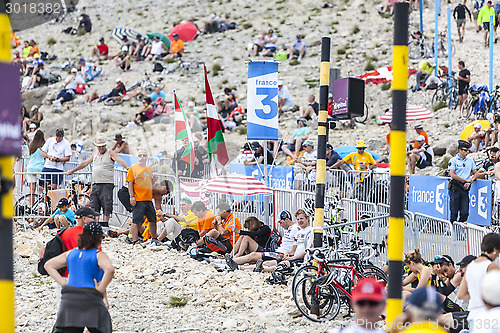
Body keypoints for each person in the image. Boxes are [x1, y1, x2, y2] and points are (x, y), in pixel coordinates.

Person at [44, 221, 114, 333]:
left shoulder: (71, 253)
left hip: (70, 298)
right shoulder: (98, 255)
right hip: (90, 297)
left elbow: (48, 265)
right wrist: (100, 290)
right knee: (102, 328)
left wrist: (64, 284)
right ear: (98, 239)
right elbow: (110, 270)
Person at [67, 137, 129, 227]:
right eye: (99, 146)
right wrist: (73, 171)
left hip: (106, 183)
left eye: (103, 146)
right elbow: (85, 163)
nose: (101, 148)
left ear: (105, 145)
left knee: (106, 205)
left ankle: (105, 224)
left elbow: (120, 161)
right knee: (95, 205)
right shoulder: (95, 154)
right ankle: (95, 224)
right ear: (96, 146)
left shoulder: (110, 153)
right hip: (96, 183)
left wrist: (128, 169)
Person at [225, 210, 300, 270]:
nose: (280, 225)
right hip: (278, 252)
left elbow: (295, 247)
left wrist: (288, 254)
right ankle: (232, 259)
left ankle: (232, 262)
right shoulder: (288, 229)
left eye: (281, 222)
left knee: (253, 256)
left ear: (287, 220)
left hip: (279, 253)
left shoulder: (295, 229)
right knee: (253, 257)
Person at [458, 233, 500, 324]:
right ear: (494, 250)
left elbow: (460, 294)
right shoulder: (491, 267)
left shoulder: (470, 266)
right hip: (489, 316)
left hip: (473, 315)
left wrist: (475, 294)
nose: (497, 256)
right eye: (498, 253)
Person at [126, 148, 159, 245]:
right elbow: (130, 183)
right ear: (137, 157)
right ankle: (135, 241)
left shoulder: (148, 168)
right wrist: (132, 196)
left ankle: (154, 238)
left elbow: (148, 182)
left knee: (152, 219)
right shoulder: (133, 168)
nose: (142, 157)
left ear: (147, 157)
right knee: (136, 220)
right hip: (138, 198)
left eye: (144, 155)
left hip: (148, 198)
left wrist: (154, 180)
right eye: (140, 155)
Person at [448, 140, 478, 223]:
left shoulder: (470, 160)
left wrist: (470, 181)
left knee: (465, 212)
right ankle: (453, 231)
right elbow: (452, 175)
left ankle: (460, 230)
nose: (466, 152)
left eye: (467, 150)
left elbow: (475, 173)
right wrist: (465, 180)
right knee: (454, 212)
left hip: (465, 188)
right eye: (465, 150)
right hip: (455, 187)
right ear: (460, 150)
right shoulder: (453, 160)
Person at [26, 130, 45, 203]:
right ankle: (40, 206)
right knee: (40, 188)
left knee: (32, 189)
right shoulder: (43, 145)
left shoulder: (31, 144)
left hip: (30, 167)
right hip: (40, 168)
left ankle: (31, 206)